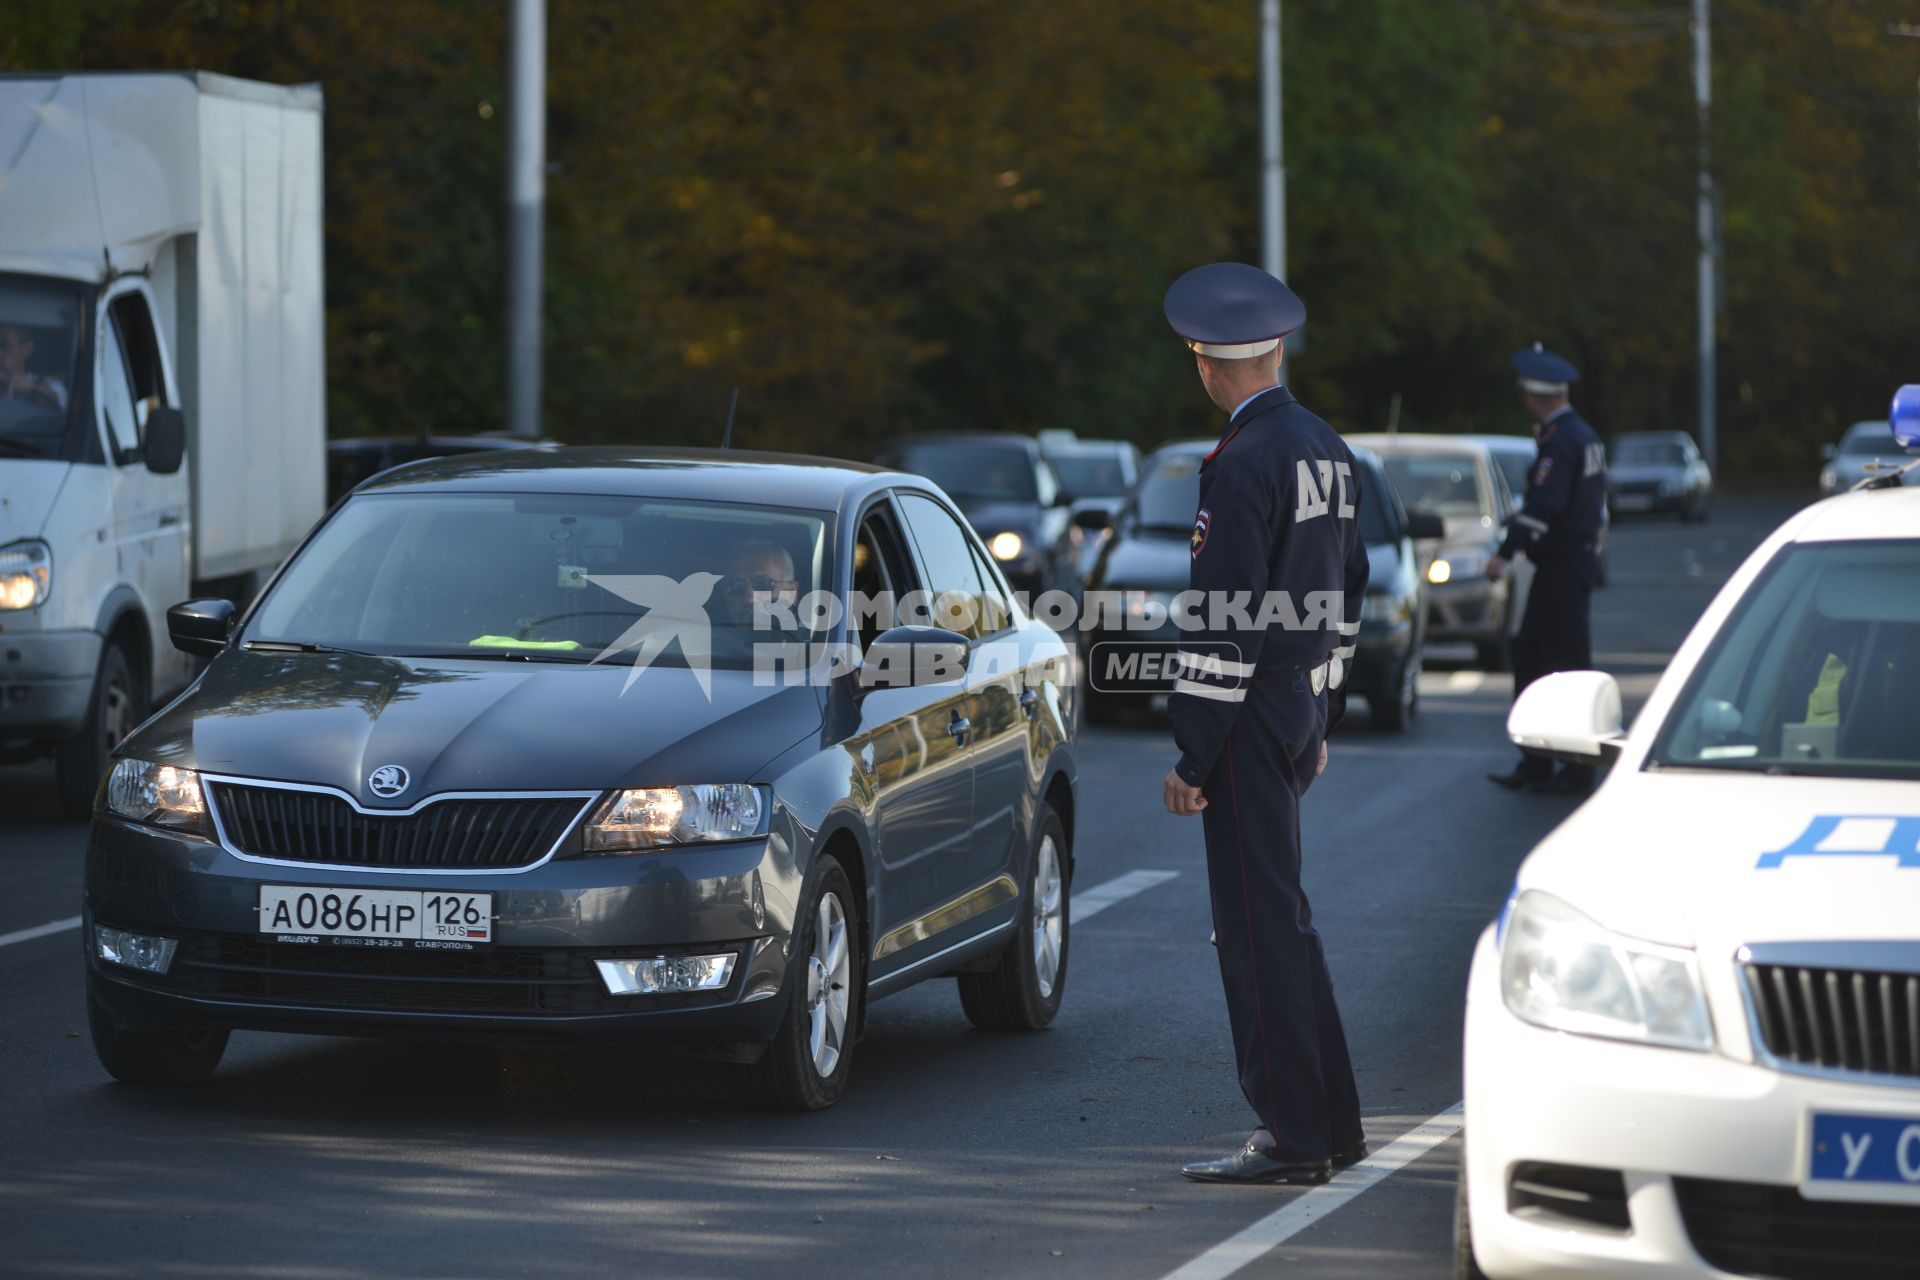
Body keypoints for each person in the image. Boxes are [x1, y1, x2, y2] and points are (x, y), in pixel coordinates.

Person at [1159, 262, 1370, 1186]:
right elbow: (1346, 595)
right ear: (1276, 350)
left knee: (1257, 933)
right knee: (1284, 920)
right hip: (1293, 706)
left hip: (1245, 717)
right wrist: (1320, 709)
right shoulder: (1328, 446)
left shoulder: (1240, 464)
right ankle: (1333, 1123)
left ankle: (1292, 1136)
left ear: (1206, 366)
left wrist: (1193, 752)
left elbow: (1221, 622)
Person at [1485, 343, 1608, 794]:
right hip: (1572, 566)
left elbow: (1544, 508)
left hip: (1560, 568)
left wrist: (1505, 552)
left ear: (1536, 397)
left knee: (1552, 665)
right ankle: (1543, 763)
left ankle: (1568, 768)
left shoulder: (1561, 443)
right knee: (1545, 661)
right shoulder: (1585, 436)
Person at [0, 323, 68, 411]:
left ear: (27, 349)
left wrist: (32, 389)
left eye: (4, 345)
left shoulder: (50, 384)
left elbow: (57, 402)